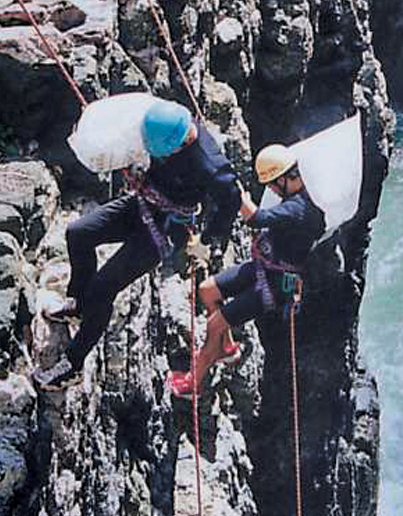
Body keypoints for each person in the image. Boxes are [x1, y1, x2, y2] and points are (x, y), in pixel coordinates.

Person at [32, 99, 240, 391]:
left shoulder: (209, 165)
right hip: (144, 202)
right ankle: (78, 304)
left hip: (167, 227)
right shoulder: (168, 122)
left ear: (180, 144)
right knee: (79, 233)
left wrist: (208, 240)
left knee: (103, 288)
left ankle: (73, 365)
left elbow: (231, 200)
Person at [167, 142, 325, 398]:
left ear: (285, 178)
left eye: (272, 184)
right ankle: (227, 348)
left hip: (276, 285)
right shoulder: (296, 198)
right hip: (265, 269)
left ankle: (193, 382)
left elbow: (256, 218)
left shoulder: (299, 208)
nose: (271, 189)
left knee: (215, 324)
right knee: (207, 290)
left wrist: (235, 191)